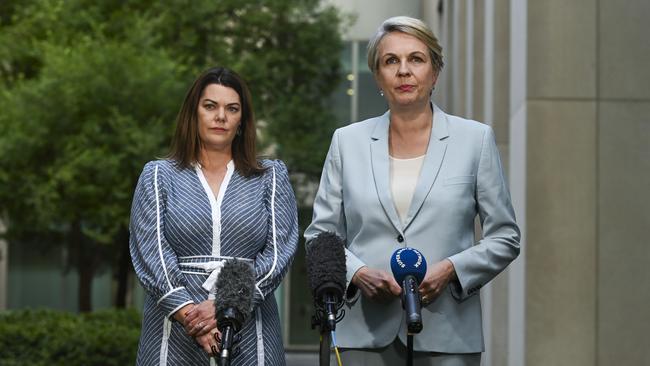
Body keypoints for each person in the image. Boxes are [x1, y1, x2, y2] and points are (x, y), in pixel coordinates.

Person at [304, 16, 520, 365]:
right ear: (377, 76)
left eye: (416, 59)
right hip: (364, 333)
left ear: (435, 72)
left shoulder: (475, 140)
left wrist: (451, 268)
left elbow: (505, 237)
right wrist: (358, 273)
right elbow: (321, 237)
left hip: (448, 333)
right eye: (391, 61)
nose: (404, 71)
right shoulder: (346, 142)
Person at [129, 67, 298, 366]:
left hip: (251, 322)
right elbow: (150, 251)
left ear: (242, 121)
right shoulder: (158, 176)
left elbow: (278, 255)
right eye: (210, 106)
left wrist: (226, 305)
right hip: (175, 326)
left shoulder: (270, 177)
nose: (221, 116)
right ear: (193, 115)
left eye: (232, 109)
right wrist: (190, 316)